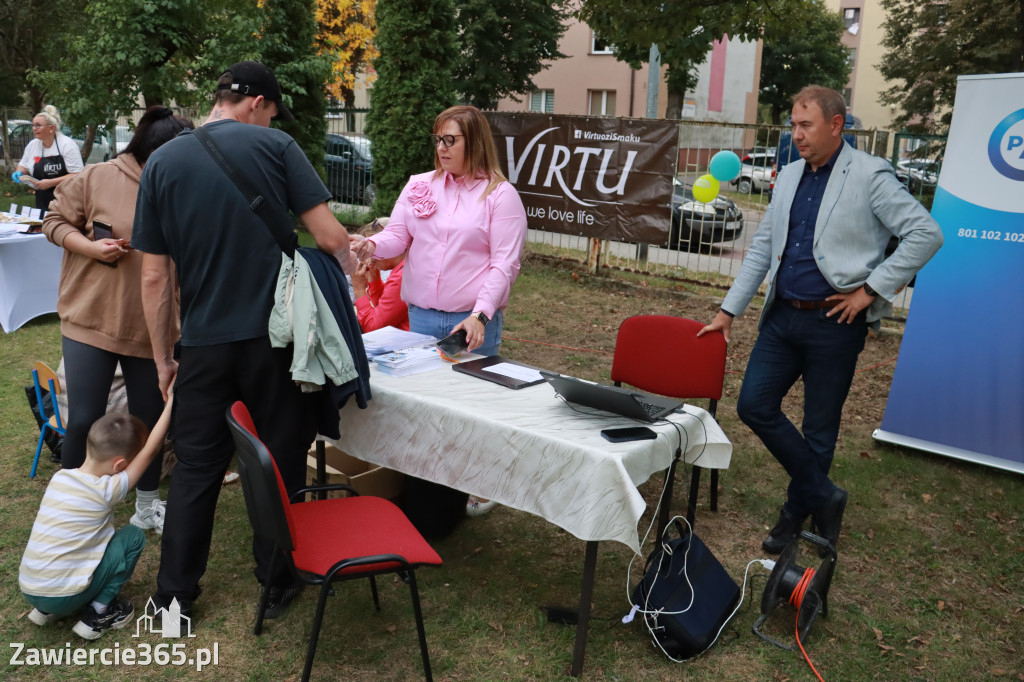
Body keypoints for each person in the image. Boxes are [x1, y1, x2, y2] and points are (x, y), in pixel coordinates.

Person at [132, 61, 357, 623]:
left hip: (204, 343)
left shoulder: (160, 162)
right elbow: (329, 236)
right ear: (256, 101)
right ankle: (277, 578)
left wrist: (164, 357)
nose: (272, 119)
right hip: (274, 341)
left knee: (197, 468)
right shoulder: (276, 147)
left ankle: (175, 598)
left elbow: (155, 278)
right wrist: (355, 258)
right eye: (273, 109)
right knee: (279, 459)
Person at [698, 85, 943, 554]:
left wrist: (870, 291)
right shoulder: (789, 175)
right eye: (793, 125)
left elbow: (924, 233)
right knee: (753, 405)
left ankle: (796, 513)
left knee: (819, 429)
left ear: (836, 124)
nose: (797, 134)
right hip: (782, 318)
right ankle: (825, 495)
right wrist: (729, 311)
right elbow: (764, 248)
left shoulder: (870, 174)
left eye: (805, 125)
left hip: (835, 324)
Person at [351, 105, 528, 520]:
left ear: (475, 142)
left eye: (451, 140)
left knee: (470, 408)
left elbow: (505, 264)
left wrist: (481, 315)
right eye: (438, 139)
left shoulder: (499, 195)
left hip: (470, 323)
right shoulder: (420, 186)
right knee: (424, 408)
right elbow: (397, 235)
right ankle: (429, 493)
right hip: (422, 318)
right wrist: (371, 246)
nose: (442, 148)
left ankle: (474, 487)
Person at [42, 107, 194, 535]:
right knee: (86, 419)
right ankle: (70, 511)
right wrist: (90, 248)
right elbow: (53, 222)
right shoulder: (96, 177)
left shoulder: (178, 186)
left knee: (146, 420)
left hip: (151, 327)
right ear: (158, 150)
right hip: (91, 319)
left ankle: (146, 507)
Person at [19, 391, 173, 641]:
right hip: (62, 595)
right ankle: (100, 613)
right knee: (133, 536)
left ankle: (44, 609)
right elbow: (151, 449)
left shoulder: (60, 478)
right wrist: (172, 402)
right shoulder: (106, 490)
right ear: (119, 466)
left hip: (30, 587)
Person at [11, 105, 84, 213]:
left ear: (51, 128)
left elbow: (77, 175)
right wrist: (19, 172)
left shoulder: (67, 144)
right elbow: (24, 165)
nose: (34, 128)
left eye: (38, 125)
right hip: (42, 199)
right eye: (33, 125)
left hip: (66, 200)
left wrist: (51, 182)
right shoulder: (33, 145)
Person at [351, 220, 409, 332]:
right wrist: (374, 280)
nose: (367, 257)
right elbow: (384, 312)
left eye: (372, 249)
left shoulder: (401, 277)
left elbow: (373, 328)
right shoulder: (404, 267)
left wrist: (358, 289)